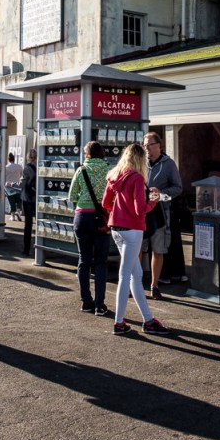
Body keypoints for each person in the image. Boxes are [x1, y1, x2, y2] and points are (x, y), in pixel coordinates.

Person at [102, 143, 171, 336]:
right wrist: (153, 201)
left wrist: (120, 208)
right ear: (140, 159)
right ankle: (119, 323)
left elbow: (106, 203)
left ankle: (148, 320)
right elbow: (141, 209)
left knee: (136, 274)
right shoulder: (137, 179)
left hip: (116, 228)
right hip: (133, 230)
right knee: (126, 276)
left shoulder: (114, 175)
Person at [68, 141, 110, 315]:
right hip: (101, 218)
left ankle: (86, 302)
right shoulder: (109, 171)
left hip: (82, 218)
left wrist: (82, 201)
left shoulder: (81, 170)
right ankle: (100, 305)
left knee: (84, 260)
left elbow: (72, 195)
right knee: (100, 261)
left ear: (88, 154)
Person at [142, 132, 183, 300]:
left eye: (150, 145)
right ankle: (135, 284)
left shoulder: (169, 164)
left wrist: (162, 195)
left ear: (159, 146)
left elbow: (178, 188)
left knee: (158, 250)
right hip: (141, 212)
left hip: (159, 213)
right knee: (139, 250)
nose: (147, 149)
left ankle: (154, 285)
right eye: (145, 145)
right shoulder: (141, 163)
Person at [16, 149, 36, 257]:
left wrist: (14, 184)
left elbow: (22, 185)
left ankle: (26, 249)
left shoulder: (27, 168)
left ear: (28, 156)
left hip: (27, 198)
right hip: (37, 198)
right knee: (40, 223)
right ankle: (40, 246)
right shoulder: (40, 166)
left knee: (28, 224)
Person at [5, 152, 23, 220]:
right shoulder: (19, 166)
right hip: (17, 186)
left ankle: (12, 216)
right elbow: (22, 175)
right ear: (14, 159)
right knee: (19, 201)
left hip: (8, 187)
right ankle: (18, 212)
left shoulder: (6, 167)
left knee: (11, 202)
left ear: (8, 159)